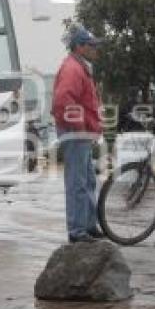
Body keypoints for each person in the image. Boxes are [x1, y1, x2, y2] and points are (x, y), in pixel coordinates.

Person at [52, 24, 104, 243]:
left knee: (88, 181)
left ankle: (88, 226)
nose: (95, 50)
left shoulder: (79, 67)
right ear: (80, 47)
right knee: (77, 183)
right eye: (92, 46)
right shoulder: (73, 69)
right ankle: (77, 231)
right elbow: (63, 101)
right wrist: (81, 126)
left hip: (80, 133)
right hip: (75, 134)